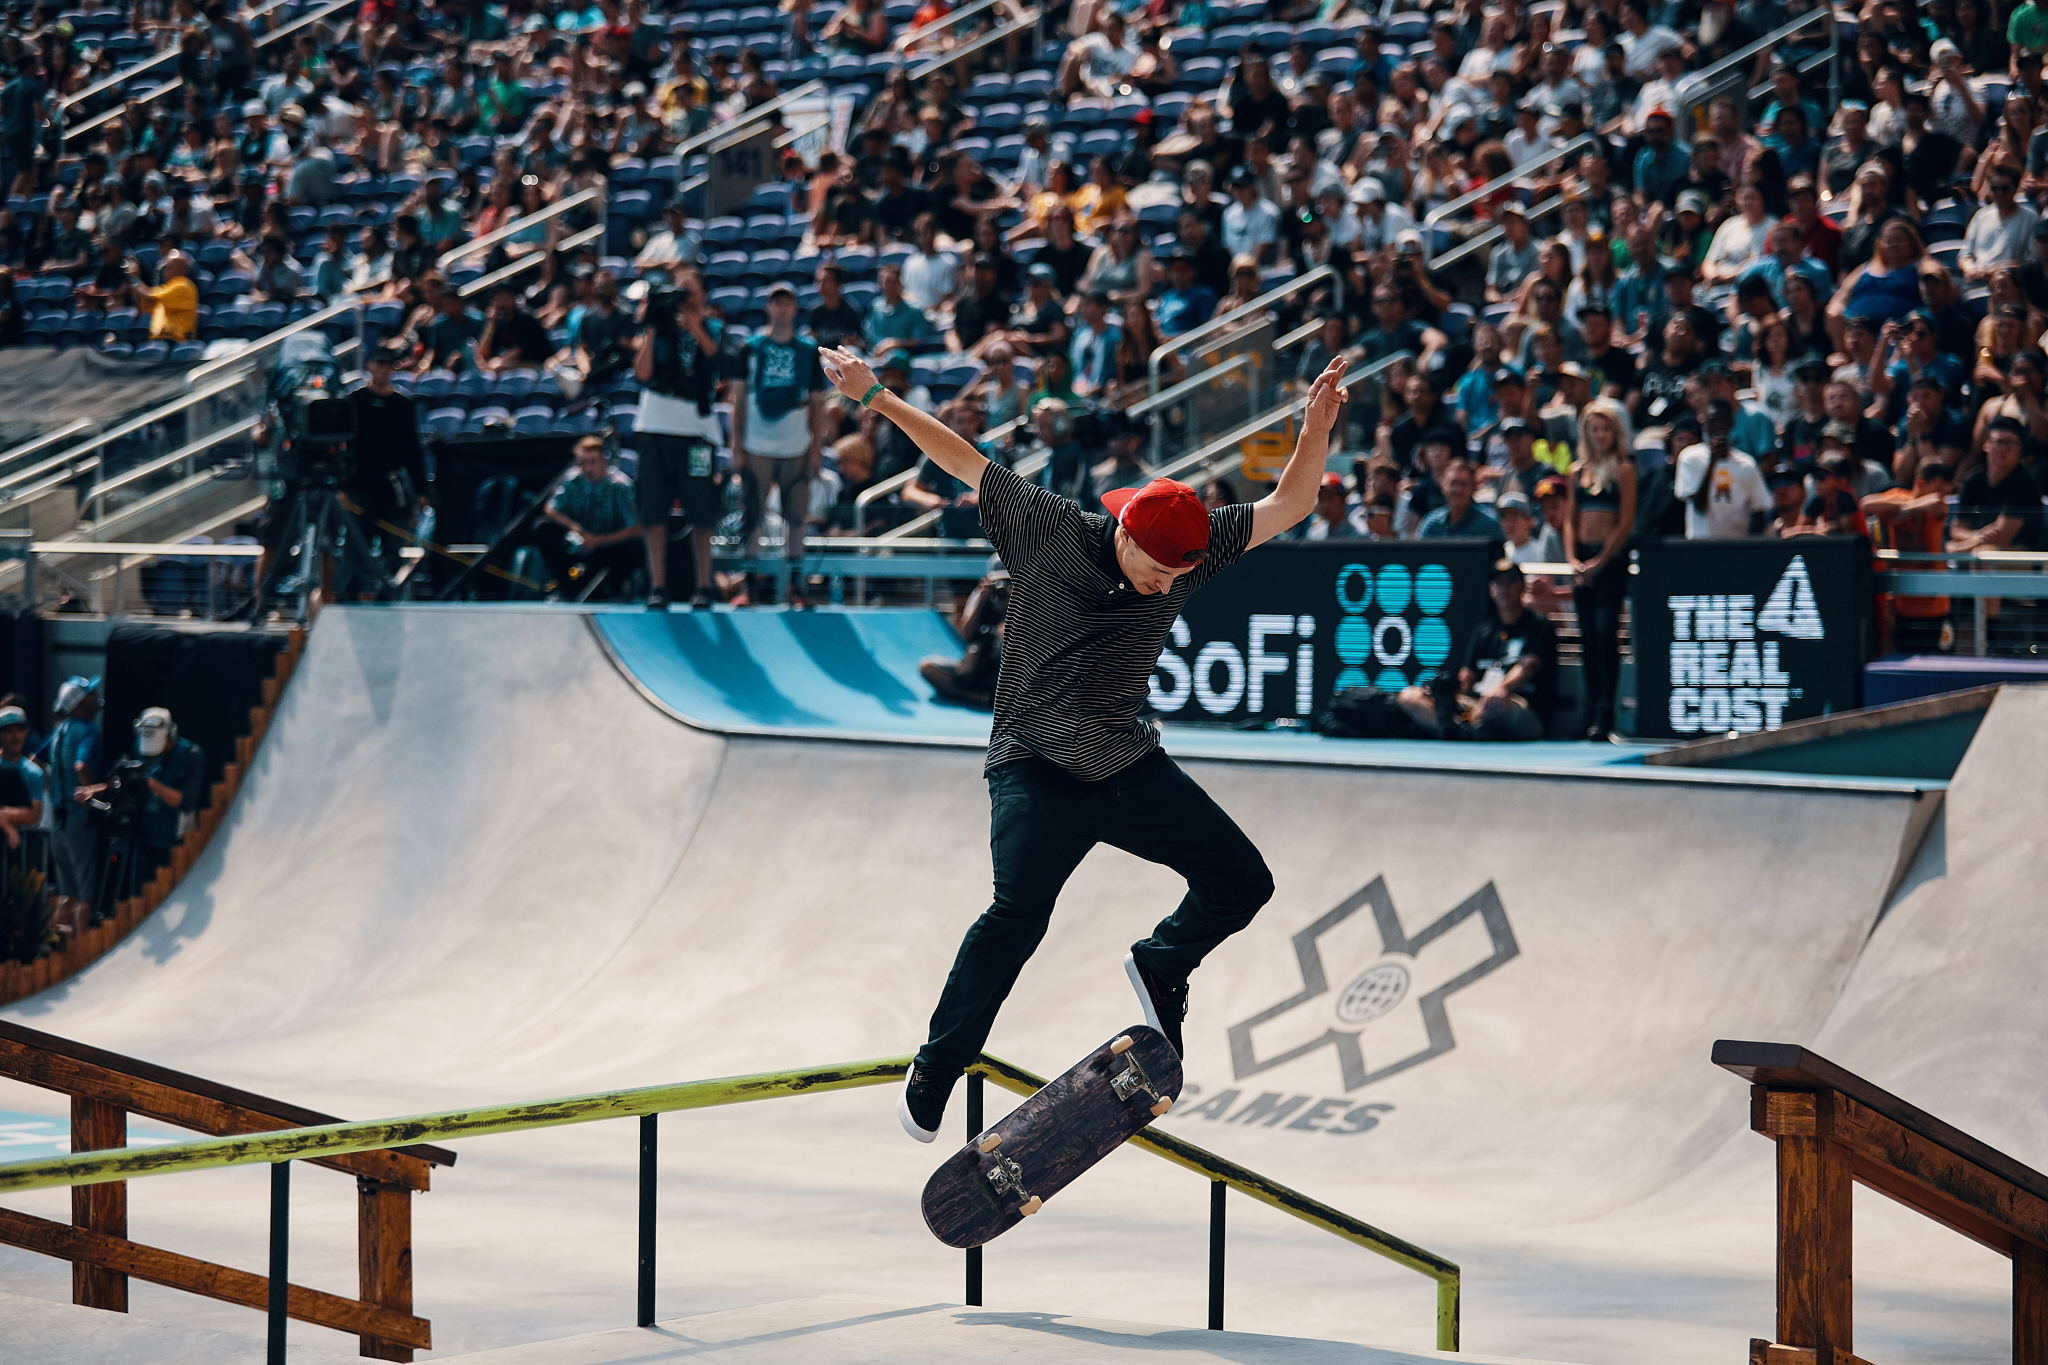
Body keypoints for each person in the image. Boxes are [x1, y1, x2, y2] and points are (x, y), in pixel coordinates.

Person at [811, 338, 1354, 1141]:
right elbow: (964, 460)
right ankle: (937, 1062)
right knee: (1017, 914)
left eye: (1179, 577)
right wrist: (874, 396)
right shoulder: (1047, 528)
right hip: (1032, 760)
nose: (1169, 589)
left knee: (1242, 880)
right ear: (1127, 533)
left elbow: (1290, 505)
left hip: (1123, 760)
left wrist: (1315, 429)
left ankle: (1162, 963)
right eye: (1160, 574)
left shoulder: (1191, 547)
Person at [634, 270, 727, 610]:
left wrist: (695, 325)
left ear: (702, 295)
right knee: (654, 510)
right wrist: (651, 324)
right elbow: (642, 374)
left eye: (690, 293)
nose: (684, 300)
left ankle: (703, 585)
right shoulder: (658, 327)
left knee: (701, 511)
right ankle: (658, 586)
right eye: (679, 294)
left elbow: (720, 362)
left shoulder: (713, 326)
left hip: (697, 432)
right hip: (655, 426)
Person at [735, 284, 830, 606]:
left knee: (796, 519)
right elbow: (739, 398)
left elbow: (818, 403)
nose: (782, 309)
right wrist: (737, 444)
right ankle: (748, 586)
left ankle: (796, 586)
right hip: (757, 443)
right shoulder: (751, 348)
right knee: (753, 515)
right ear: (768, 307)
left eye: (787, 303)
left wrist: (816, 447)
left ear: (794, 309)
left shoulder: (807, 350)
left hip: (796, 445)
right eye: (776, 303)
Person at [1396, 560, 1559, 741]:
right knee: (1409, 696)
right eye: (1498, 583)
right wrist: (1446, 692)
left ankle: (1467, 727)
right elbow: (1467, 675)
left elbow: (1528, 667)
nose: (1504, 589)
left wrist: (1501, 688)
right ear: (1491, 590)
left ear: (1521, 587)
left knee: (1493, 704)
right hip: (1477, 701)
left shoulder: (1540, 627)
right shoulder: (1484, 631)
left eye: (1510, 582)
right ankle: (1456, 729)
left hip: (1517, 704)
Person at [1565, 398, 1638, 740]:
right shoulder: (1577, 471)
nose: (1600, 435)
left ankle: (1606, 711)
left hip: (1609, 561)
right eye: (1594, 429)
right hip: (1582, 561)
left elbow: (1625, 523)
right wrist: (1573, 560)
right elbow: (1569, 520)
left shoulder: (1623, 469)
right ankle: (1589, 705)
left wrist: (1600, 562)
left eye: (1606, 429)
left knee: (1605, 632)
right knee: (1586, 638)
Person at [343, 343, 431, 592]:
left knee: (393, 551)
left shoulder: (403, 405)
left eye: (387, 365)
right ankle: (351, 602)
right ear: (369, 365)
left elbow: (413, 449)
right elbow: (343, 447)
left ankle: (389, 601)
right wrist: (341, 485)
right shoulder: (354, 401)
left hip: (393, 493)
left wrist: (421, 491)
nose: (383, 369)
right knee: (355, 550)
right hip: (359, 488)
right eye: (379, 363)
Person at [1864, 459, 1956, 652]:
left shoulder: (1937, 505)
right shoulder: (1898, 496)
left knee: (1937, 662)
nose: (1942, 494)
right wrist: (1899, 505)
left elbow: (1936, 502)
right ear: (1921, 481)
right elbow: (1865, 504)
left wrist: (1905, 510)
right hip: (1903, 603)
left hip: (1935, 604)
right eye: (1938, 487)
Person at [42, 676, 102, 924]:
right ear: (80, 704)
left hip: (59, 822)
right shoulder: (89, 731)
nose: (97, 698)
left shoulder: (59, 731)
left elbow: (36, 758)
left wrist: (54, 790)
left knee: (67, 895)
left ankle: (59, 956)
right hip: (80, 820)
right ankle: (83, 953)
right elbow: (81, 764)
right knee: (85, 895)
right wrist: (92, 789)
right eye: (91, 695)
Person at [1675, 399, 1772, 539]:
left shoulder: (1746, 463)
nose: (1719, 426)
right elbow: (1699, 506)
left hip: (1736, 546)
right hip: (1701, 545)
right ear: (1705, 424)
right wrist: (1713, 462)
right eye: (1713, 421)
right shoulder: (1690, 458)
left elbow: (1758, 511)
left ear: (1731, 423)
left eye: (1724, 420)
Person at [1417, 459, 1504, 539]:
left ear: (1474, 487)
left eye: (1464, 484)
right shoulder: (1432, 524)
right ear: (1442, 485)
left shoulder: (1489, 524)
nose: (1458, 490)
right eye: (1453, 483)